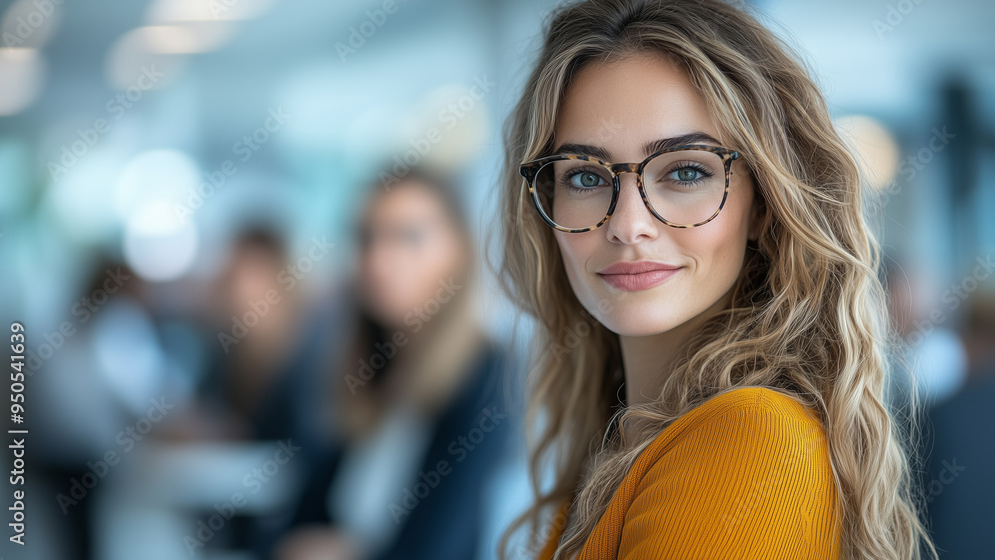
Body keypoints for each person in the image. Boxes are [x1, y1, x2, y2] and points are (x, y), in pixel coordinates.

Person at [495, 1, 937, 559]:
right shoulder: (622, 443)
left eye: (685, 171)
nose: (628, 225)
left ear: (763, 207)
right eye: (584, 175)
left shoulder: (750, 442)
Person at [272, 169, 515, 560]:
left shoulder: (489, 377)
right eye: (367, 237)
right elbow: (301, 522)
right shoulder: (371, 369)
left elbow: (441, 547)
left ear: (459, 251)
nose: (379, 260)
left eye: (409, 237)